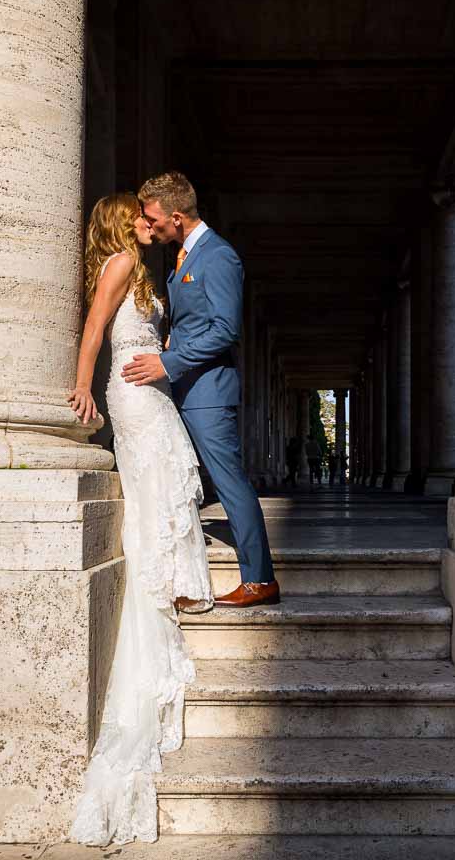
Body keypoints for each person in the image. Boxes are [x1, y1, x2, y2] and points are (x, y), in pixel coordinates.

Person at [68, 193, 213, 846]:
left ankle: (165, 572)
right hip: (129, 394)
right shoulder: (121, 261)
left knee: (166, 476)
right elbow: (96, 327)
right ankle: (161, 578)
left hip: (147, 386)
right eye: (136, 213)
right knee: (159, 471)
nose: (144, 222)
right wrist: (79, 385)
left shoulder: (139, 266)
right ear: (119, 222)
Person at [122, 172, 278, 610]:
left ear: (176, 216)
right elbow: (197, 322)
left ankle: (260, 579)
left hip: (208, 391)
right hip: (184, 386)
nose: (148, 226)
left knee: (230, 484)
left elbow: (226, 330)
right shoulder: (184, 253)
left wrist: (167, 361)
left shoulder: (218, 256)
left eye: (152, 219)